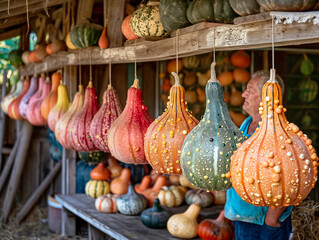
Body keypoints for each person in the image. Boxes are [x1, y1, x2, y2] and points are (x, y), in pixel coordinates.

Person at [225, 70, 293, 240]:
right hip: (243, 219)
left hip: (263, 224)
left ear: (267, 97)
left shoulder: (279, 132)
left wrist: (271, 220)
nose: (243, 94)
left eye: (250, 89)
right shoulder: (246, 125)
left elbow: (290, 178)